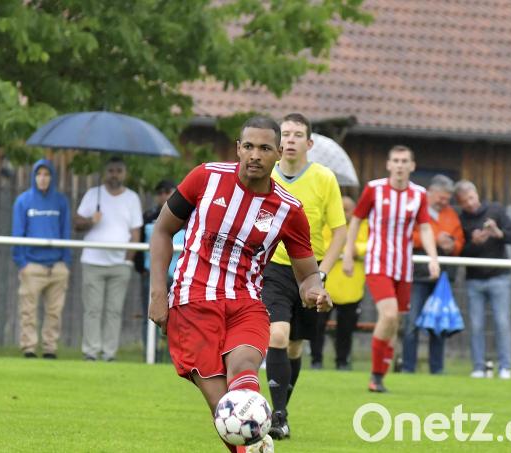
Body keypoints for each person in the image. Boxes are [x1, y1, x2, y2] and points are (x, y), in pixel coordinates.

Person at [148, 116, 332, 453]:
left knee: (245, 368)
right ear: (238, 148)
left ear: (278, 153)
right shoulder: (205, 177)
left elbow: (307, 274)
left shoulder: (289, 209)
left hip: (246, 304)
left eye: (264, 148)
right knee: (222, 407)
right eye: (248, 146)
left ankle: (256, 440)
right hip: (191, 302)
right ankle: (255, 444)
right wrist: (158, 292)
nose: (255, 155)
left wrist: (315, 291)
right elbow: (162, 229)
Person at [260, 113, 345, 441]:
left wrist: (321, 274)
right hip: (273, 268)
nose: (291, 140)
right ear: (278, 142)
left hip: (310, 271)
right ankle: (278, 416)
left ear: (309, 143)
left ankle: (282, 410)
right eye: (285, 134)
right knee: (277, 336)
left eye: (297, 134)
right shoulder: (266, 176)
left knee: (295, 347)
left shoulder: (324, 178)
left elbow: (339, 232)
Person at [343, 145, 440, 393]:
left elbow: (425, 227)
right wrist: (348, 252)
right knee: (388, 315)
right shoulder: (374, 189)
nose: (399, 165)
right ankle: (375, 376)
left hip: (403, 267)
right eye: (395, 160)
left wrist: (433, 258)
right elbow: (356, 220)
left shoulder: (419, 194)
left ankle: (381, 376)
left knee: (395, 322)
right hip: (377, 263)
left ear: (412, 166)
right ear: (388, 165)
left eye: (404, 161)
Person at [74, 156, 142, 361]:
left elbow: (136, 232)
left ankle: (109, 353)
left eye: (119, 171)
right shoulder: (92, 195)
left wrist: (128, 260)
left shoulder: (132, 198)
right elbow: (77, 223)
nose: (115, 175)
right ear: (105, 173)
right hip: (93, 261)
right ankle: (91, 352)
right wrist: (91, 220)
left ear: (124, 174)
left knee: (114, 311)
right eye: (111, 171)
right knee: (92, 310)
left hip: (119, 264)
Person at [455, 179, 511, 380]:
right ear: (460, 203)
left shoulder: (496, 210)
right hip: (474, 280)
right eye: (464, 201)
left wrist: (498, 233)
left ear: (476, 194)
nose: (470, 203)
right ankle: (478, 367)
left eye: (471, 198)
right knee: (476, 325)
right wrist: (474, 243)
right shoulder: (461, 220)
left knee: (502, 323)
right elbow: (460, 253)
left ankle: (505, 367)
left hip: (499, 277)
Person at [401, 174, 465, 374]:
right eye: (441, 197)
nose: (444, 202)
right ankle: (408, 367)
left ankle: (437, 369)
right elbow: (408, 235)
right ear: (430, 192)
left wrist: (452, 245)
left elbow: (460, 240)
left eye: (447, 198)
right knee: (411, 322)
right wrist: (434, 240)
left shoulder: (451, 215)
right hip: (418, 275)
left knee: (439, 322)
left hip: (442, 278)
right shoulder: (415, 209)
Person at [12, 158, 71, 359]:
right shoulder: (23, 201)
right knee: (28, 311)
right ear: (34, 177)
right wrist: (22, 262)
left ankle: (49, 349)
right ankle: (29, 348)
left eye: (46, 174)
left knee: (54, 312)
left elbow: (65, 231)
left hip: (57, 267)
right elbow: (17, 233)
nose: (43, 178)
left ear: (52, 177)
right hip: (32, 265)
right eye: (39, 174)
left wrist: (65, 262)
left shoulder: (61, 201)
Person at [310, 195, 368, 371]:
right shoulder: (327, 224)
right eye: (341, 209)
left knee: (346, 329)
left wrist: (352, 249)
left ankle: (342, 361)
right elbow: (320, 244)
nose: (344, 213)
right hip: (327, 286)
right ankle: (316, 360)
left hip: (351, 288)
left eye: (348, 210)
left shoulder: (364, 225)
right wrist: (349, 249)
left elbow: (369, 245)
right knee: (317, 326)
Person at [137, 179, 176, 358]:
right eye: (160, 192)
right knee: (151, 315)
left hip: (178, 275)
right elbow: (140, 244)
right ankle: (151, 354)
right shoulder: (148, 216)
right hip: (152, 274)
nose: (163, 195)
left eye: (167, 191)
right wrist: (141, 268)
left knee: (178, 317)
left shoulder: (188, 214)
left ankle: (174, 356)